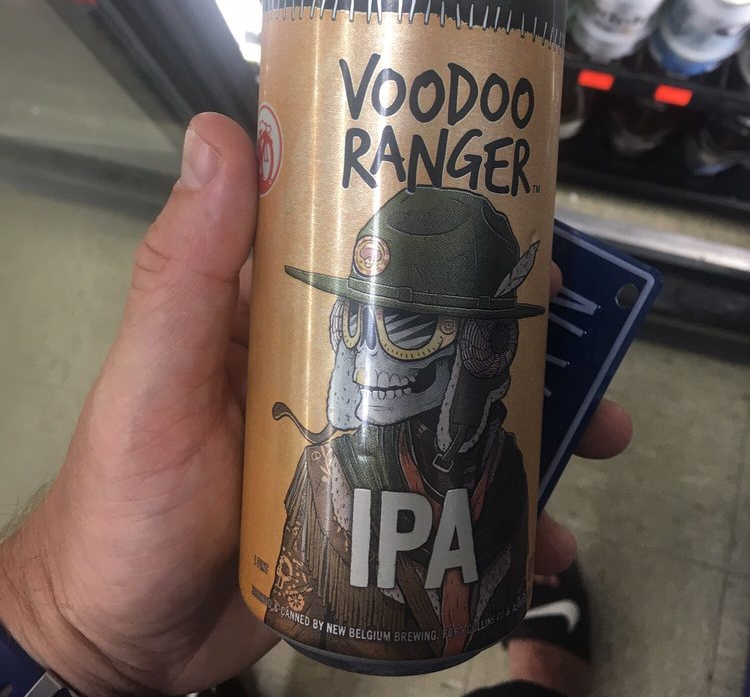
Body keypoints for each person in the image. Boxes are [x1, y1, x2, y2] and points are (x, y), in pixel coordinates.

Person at [0, 114, 632, 697]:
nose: (367, 356)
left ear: (482, 346)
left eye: (406, 327)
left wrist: (75, 644)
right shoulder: (322, 469)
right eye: (353, 319)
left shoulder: (504, 463)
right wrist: (75, 639)